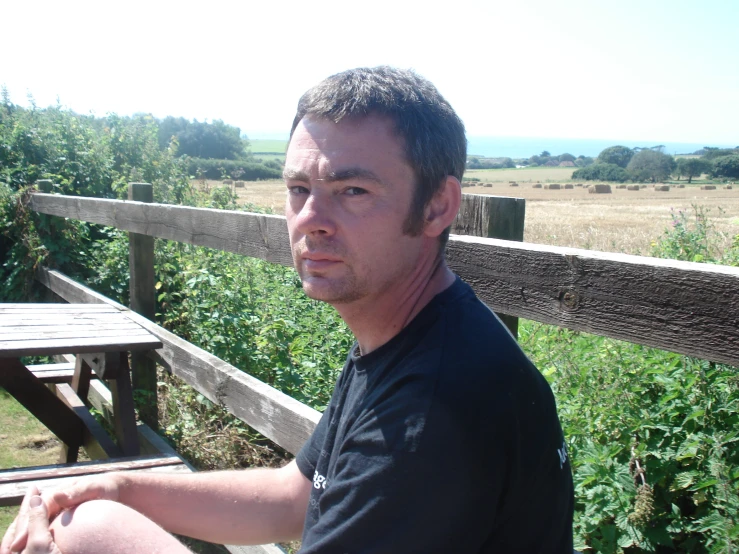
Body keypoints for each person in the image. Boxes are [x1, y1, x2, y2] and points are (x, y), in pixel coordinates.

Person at [1, 66, 573, 554]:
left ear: (438, 206)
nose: (311, 219)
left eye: (353, 191)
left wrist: (98, 525)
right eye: (299, 189)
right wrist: (117, 487)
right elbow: (295, 497)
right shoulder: (408, 335)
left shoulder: (430, 412)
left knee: (88, 534)